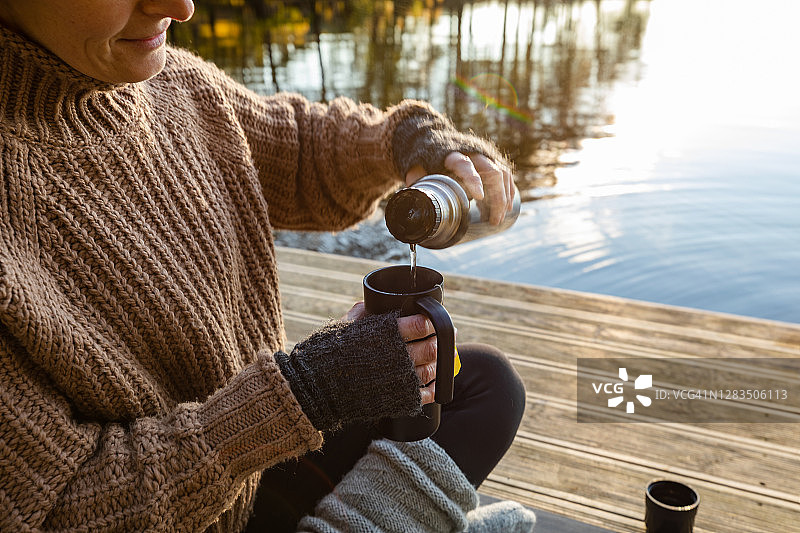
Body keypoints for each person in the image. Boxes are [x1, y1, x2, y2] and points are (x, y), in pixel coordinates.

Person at [0, 1, 527, 532]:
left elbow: (301, 153)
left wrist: (405, 141)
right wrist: (310, 389)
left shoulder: (172, 85)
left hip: (261, 464)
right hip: (183, 509)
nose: (180, 6)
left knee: (483, 384)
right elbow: (59, 511)